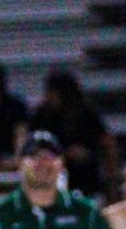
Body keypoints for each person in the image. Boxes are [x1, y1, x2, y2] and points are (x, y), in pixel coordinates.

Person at [30, 68, 117, 199]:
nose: (49, 97)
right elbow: (34, 145)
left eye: (53, 93)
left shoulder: (86, 113)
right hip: (53, 172)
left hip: (86, 174)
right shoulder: (42, 115)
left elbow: (106, 142)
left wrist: (111, 176)